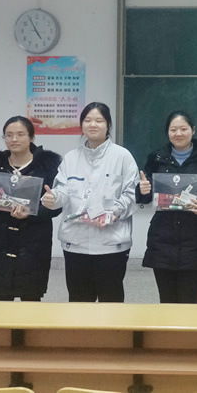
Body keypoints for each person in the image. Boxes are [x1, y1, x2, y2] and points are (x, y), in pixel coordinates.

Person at [41, 102, 139, 303]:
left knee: (111, 302)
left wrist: (113, 213)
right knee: (79, 302)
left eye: (99, 120)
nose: (93, 125)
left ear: (108, 124)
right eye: (87, 120)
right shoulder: (71, 158)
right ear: (81, 125)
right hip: (75, 243)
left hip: (111, 243)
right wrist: (53, 198)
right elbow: (62, 191)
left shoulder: (122, 156)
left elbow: (132, 193)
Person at [0, 116, 62, 301]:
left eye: (20, 134)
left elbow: (56, 206)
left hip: (33, 241)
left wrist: (32, 213)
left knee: (31, 299)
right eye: (9, 135)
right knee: (0, 300)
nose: (14, 139)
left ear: (31, 137)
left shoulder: (47, 167)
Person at [137, 110, 197, 304]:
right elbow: (145, 198)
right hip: (162, 241)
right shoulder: (156, 159)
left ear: (193, 130)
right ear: (167, 132)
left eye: (183, 129)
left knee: (190, 302)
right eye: (173, 130)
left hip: (195, 241)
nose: (178, 133)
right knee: (167, 301)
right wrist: (142, 190)